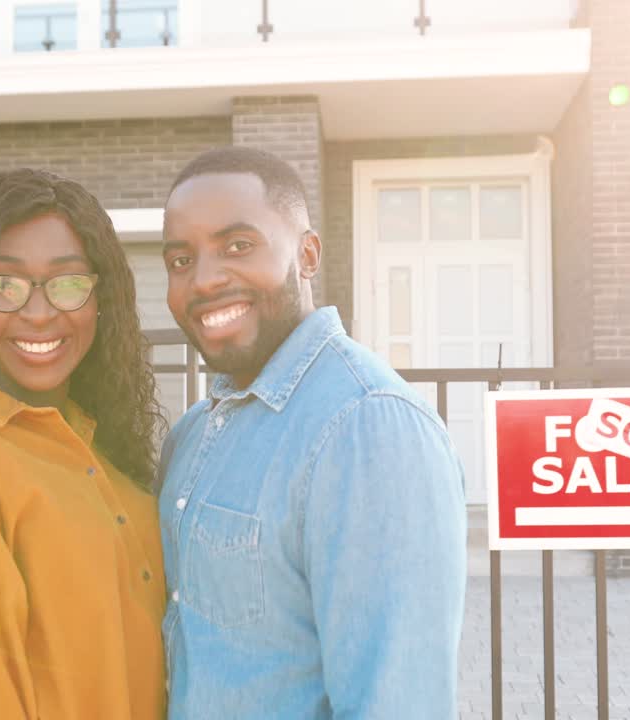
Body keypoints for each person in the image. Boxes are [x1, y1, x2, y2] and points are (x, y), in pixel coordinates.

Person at [157, 147, 467, 719]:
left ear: (307, 254)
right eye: (180, 260)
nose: (204, 280)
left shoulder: (368, 425)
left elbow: (396, 705)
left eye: (237, 246)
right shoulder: (194, 433)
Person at [0, 169, 166, 719]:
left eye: (67, 284)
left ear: (100, 300)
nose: (39, 313)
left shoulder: (105, 449)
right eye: (6, 286)